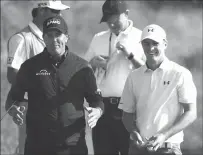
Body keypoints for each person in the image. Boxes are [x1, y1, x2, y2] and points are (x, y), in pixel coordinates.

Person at [7, 15, 104, 155]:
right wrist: (14, 110)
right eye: (49, 35)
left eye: (58, 34)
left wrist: (97, 111)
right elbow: (12, 99)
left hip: (73, 146)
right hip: (37, 145)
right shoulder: (29, 67)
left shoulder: (82, 67)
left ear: (66, 37)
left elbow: (97, 100)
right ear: (43, 38)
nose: (54, 40)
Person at [119, 24, 197, 155]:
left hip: (168, 148)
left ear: (165, 44)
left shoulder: (180, 73)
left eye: (155, 43)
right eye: (146, 43)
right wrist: (132, 131)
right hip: (139, 149)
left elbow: (191, 113)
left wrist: (164, 135)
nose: (151, 48)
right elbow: (126, 114)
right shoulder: (134, 76)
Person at [5, 0, 70, 154]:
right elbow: (12, 75)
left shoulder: (53, 37)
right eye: (55, 11)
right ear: (41, 11)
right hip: (29, 105)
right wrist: (40, 87)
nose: (60, 15)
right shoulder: (22, 38)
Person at [84, 0, 145, 154]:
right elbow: (83, 71)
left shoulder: (142, 37)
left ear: (127, 14)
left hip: (131, 108)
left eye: (115, 21)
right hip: (102, 108)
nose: (112, 25)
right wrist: (93, 63)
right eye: (108, 22)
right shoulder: (98, 37)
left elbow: (150, 72)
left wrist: (130, 55)